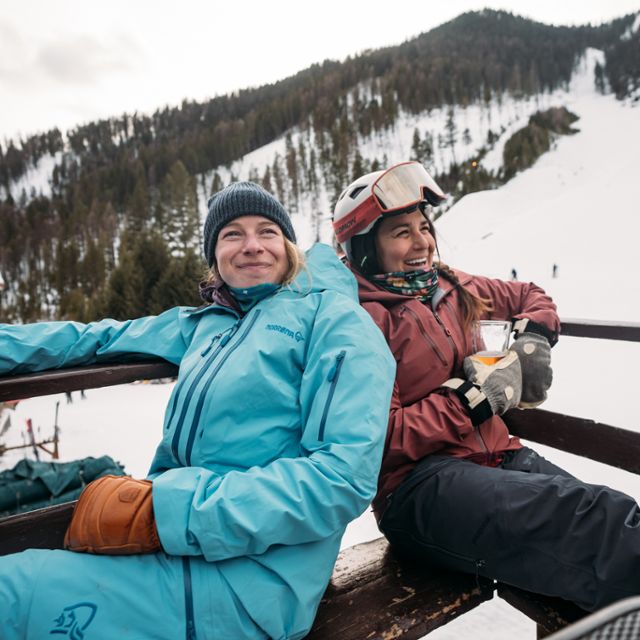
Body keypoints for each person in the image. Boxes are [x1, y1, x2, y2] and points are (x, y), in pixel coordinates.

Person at [0, 181, 395, 639]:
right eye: (232, 234)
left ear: (288, 246)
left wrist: (165, 512)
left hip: (252, 582)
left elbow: (340, 480)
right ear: (215, 256)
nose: (252, 246)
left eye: (267, 231)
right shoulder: (209, 323)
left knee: (11, 593)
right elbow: (97, 338)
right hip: (182, 551)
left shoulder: (334, 320)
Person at [332, 161, 640, 612]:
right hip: (419, 487)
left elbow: (530, 295)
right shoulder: (358, 322)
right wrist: (469, 401)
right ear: (363, 247)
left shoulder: (451, 286)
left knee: (613, 522)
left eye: (425, 227)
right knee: (600, 524)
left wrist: (535, 336)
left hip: (499, 456)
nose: (423, 243)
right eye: (401, 233)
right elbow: (373, 442)